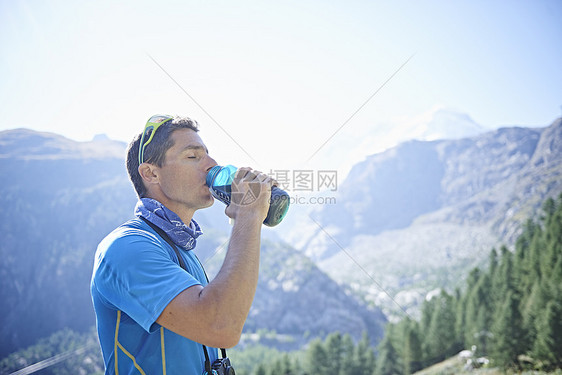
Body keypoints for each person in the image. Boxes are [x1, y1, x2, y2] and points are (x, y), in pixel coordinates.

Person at [91, 115, 274, 374]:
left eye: (208, 155)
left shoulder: (180, 248)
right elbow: (220, 326)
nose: (212, 164)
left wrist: (245, 216)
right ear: (151, 173)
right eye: (193, 156)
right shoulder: (127, 247)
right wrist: (248, 215)